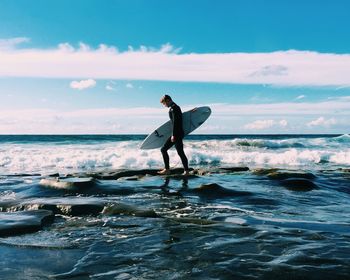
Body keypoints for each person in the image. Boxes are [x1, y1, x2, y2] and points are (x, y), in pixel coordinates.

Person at [158, 94, 190, 175]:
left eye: (164, 103)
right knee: (166, 150)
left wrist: (173, 135)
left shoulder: (174, 108)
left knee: (177, 152)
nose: (164, 105)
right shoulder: (175, 107)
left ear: (168, 100)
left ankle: (185, 171)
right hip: (178, 133)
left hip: (177, 134)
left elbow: (176, 122)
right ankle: (168, 169)